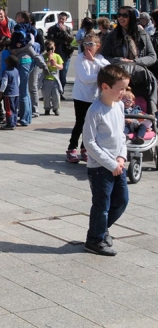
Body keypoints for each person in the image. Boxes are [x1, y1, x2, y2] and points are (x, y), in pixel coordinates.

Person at [83, 64, 130, 256]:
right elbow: (89, 143)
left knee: (121, 201)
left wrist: (121, 156)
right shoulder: (95, 110)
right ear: (105, 87)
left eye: (126, 88)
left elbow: (121, 135)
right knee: (102, 206)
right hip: (100, 168)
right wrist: (110, 163)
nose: (124, 93)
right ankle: (94, 240)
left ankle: (100, 230)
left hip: (118, 164)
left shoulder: (118, 106)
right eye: (121, 89)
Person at [68, 32, 110, 163]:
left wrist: (95, 61)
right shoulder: (80, 58)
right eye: (85, 43)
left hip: (95, 97)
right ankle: (71, 148)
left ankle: (84, 149)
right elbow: (85, 78)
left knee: (91, 125)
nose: (87, 47)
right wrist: (102, 77)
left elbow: (110, 69)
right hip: (81, 97)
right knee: (80, 123)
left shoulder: (100, 58)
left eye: (91, 44)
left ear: (98, 46)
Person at [46, 12, 75, 95]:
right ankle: (51, 93)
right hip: (54, 54)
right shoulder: (52, 29)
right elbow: (50, 40)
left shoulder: (68, 29)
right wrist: (63, 42)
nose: (61, 20)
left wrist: (64, 31)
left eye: (63, 19)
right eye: (60, 18)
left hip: (66, 55)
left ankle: (60, 93)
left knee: (63, 76)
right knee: (51, 75)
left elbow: (73, 41)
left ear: (66, 20)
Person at [41, 40, 64, 116]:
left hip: (55, 78)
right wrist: (48, 60)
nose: (50, 50)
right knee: (46, 95)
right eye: (48, 48)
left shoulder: (57, 56)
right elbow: (42, 67)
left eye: (52, 48)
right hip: (46, 78)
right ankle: (47, 108)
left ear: (54, 48)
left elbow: (61, 67)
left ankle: (56, 108)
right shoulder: (43, 56)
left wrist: (55, 64)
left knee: (56, 95)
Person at [0, 55, 20, 130]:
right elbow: (18, 81)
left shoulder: (6, 72)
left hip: (9, 94)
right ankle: (14, 122)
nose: (5, 59)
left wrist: (1, 93)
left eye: (7, 59)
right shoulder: (16, 71)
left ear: (9, 63)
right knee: (14, 109)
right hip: (16, 93)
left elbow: (4, 83)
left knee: (8, 109)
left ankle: (9, 124)